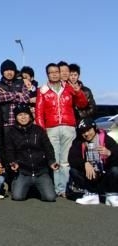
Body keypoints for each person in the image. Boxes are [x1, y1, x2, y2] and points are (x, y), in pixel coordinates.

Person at [35, 62, 88, 197]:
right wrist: (42, 130)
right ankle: (56, 187)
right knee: (54, 159)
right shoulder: (42, 90)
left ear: (60, 73)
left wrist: (78, 92)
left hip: (68, 127)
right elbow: (39, 112)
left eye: (56, 72)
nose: (54, 74)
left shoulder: (69, 87)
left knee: (66, 160)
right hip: (51, 128)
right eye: (51, 72)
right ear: (47, 75)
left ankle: (64, 188)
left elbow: (82, 104)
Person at [4, 104, 59, 202]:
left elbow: (48, 148)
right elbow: (9, 150)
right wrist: (13, 162)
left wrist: (51, 161)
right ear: (16, 117)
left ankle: (37, 187)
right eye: (20, 115)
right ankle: (20, 185)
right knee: (17, 197)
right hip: (23, 171)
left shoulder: (38, 130)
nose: (23, 117)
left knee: (50, 198)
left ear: (30, 116)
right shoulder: (11, 132)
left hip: (40, 171)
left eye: (26, 114)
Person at [68, 118, 118, 206]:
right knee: (73, 171)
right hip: (89, 177)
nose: (86, 134)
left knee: (115, 170)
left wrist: (110, 153)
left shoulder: (106, 139)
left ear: (94, 128)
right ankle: (91, 194)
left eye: (88, 130)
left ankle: (111, 195)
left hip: (104, 177)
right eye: (83, 132)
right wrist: (84, 163)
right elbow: (71, 158)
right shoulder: (78, 141)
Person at [0, 59, 30, 128]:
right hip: (5, 123)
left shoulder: (21, 83)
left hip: (20, 123)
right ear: (2, 72)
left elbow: (26, 99)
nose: (9, 72)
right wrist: (18, 94)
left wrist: (7, 95)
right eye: (6, 70)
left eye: (11, 70)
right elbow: (0, 97)